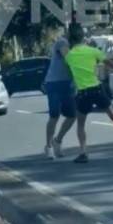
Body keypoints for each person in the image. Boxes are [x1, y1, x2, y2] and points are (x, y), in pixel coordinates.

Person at [64, 23, 113, 163]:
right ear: (83, 37)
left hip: (82, 93)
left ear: (70, 38)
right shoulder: (93, 51)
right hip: (97, 89)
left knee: (80, 124)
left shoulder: (69, 57)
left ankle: (83, 153)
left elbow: (70, 72)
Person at [43, 28, 76, 159]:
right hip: (54, 82)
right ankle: (48, 146)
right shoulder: (62, 42)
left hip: (68, 83)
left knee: (72, 115)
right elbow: (67, 56)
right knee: (54, 115)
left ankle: (57, 140)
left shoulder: (79, 46)